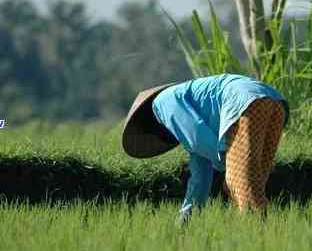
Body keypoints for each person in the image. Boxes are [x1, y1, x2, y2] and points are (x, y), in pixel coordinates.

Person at [122, 73, 289, 223]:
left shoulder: (161, 104)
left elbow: (196, 136)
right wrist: (186, 218)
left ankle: (261, 241)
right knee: (254, 185)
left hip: (245, 102)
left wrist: (226, 164)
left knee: (239, 184)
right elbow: (200, 174)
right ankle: (269, 237)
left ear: (156, 125)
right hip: (274, 102)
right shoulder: (193, 104)